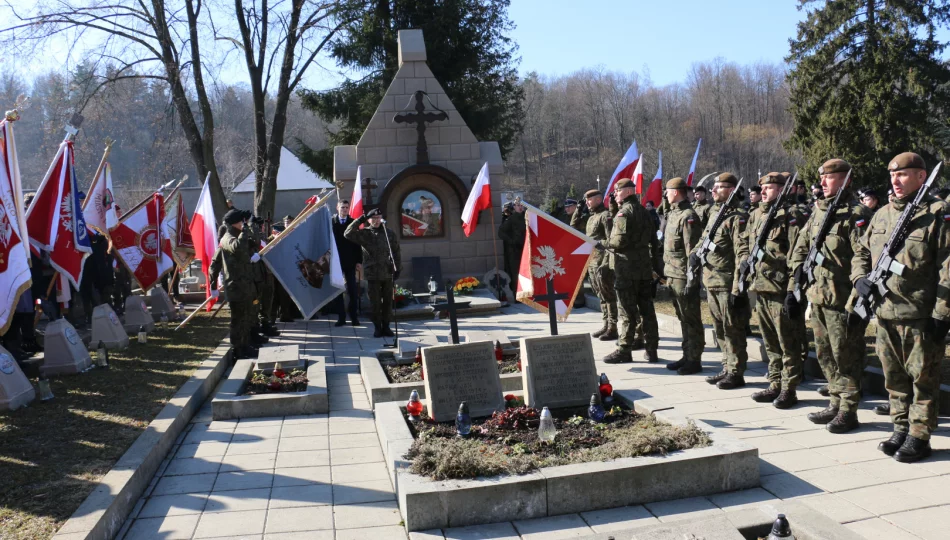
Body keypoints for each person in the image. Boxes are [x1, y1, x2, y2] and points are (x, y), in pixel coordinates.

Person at [852, 152, 950, 463]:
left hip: (920, 314)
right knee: (893, 377)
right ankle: (900, 426)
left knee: (923, 379)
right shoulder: (881, 215)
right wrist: (858, 280)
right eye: (893, 175)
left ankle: (920, 435)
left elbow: (948, 266)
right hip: (884, 313)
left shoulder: (938, 214)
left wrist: (942, 313)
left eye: (903, 174)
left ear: (921, 177)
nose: (896, 180)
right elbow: (861, 251)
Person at [788, 158, 870, 433]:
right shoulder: (819, 211)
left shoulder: (855, 213)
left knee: (845, 355)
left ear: (845, 179)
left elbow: (864, 254)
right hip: (819, 295)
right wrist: (797, 270)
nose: (822, 182)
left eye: (829, 178)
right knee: (824, 354)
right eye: (821, 178)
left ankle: (849, 409)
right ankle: (835, 401)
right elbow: (801, 244)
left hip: (842, 297)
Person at [744, 172, 804, 408]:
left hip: (780, 289)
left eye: (770, 188)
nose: (765, 191)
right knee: (770, 342)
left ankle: (789, 389)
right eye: (764, 188)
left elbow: (797, 256)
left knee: (788, 343)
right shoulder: (759, 215)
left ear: (783, 189)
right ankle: (775, 382)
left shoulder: (793, 215)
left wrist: (792, 290)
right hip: (762, 286)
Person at [691, 173, 750, 389]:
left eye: (719, 187)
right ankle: (726, 366)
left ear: (732, 190)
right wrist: (694, 253)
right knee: (720, 329)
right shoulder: (716, 212)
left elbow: (742, 253)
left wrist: (737, 289)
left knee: (732, 328)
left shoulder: (737, 217)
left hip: (726, 282)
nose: (713, 191)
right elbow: (704, 239)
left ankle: (736, 371)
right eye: (713, 187)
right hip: (711, 280)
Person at [603, 178, 662, 364]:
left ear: (628, 192)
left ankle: (624, 349)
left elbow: (619, 241)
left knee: (627, 312)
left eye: (617, 191)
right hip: (644, 268)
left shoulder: (624, 213)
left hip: (627, 269)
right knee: (647, 311)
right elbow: (653, 239)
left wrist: (603, 244)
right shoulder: (645, 212)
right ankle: (652, 350)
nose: (615, 194)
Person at [662, 178, 704, 375]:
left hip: (682, 276)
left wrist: (692, 280)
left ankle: (695, 359)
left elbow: (692, 252)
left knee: (691, 318)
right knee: (682, 318)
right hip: (672, 274)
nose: (666, 194)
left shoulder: (688, 216)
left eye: (668, 191)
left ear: (677, 192)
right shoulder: (674, 213)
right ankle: (687, 355)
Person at [345, 206, 401, 338]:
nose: (376, 221)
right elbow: (347, 233)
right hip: (373, 274)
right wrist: (360, 219)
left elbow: (396, 252)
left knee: (387, 303)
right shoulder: (365, 233)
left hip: (387, 273)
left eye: (378, 218)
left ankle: (386, 326)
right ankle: (377, 327)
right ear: (369, 220)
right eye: (373, 218)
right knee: (375, 303)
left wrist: (398, 268)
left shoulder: (389, 233)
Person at [211, 209, 259, 360]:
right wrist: (213, 285)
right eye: (241, 222)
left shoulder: (237, 236)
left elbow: (247, 247)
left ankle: (245, 345)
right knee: (238, 320)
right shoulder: (228, 238)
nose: (243, 224)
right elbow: (237, 248)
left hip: (245, 286)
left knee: (246, 319)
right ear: (235, 224)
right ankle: (237, 349)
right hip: (236, 288)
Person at [572, 189, 617, 340]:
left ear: (598, 200)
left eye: (588, 200)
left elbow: (611, 240)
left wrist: (605, 261)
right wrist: (578, 210)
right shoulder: (592, 218)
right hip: (592, 261)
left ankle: (613, 326)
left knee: (608, 295)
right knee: (600, 295)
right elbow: (574, 226)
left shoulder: (605, 216)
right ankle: (606, 324)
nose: (587, 203)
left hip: (602, 262)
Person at [332, 199, 363, 326]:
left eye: (346, 207)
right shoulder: (331, 222)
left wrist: (359, 261)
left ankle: (354, 317)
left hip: (350, 261)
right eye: (342, 207)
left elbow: (358, 244)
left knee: (352, 291)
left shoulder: (352, 223)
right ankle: (341, 317)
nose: (344, 209)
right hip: (336, 262)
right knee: (338, 291)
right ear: (337, 208)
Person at [498, 200, 526, 298]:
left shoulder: (526, 217)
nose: (520, 207)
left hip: (525, 249)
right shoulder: (511, 219)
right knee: (516, 273)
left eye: (522, 205)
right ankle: (517, 294)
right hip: (514, 250)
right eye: (518, 205)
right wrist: (512, 241)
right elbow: (501, 232)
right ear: (514, 207)